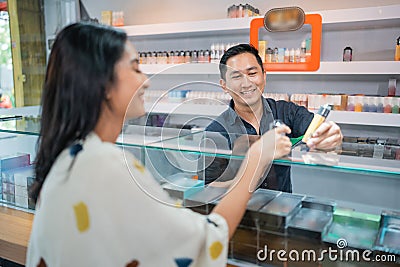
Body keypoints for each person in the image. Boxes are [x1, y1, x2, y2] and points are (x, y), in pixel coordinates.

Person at [26, 23, 292, 266]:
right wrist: (256, 158)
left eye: (253, 73)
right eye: (134, 67)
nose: (146, 81)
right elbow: (202, 242)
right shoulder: (104, 163)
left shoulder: (72, 156)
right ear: (103, 84)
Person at [206, 44, 343, 193]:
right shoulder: (215, 132)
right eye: (236, 76)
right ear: (224, 85)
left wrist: (330, 137)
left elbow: (317, 131)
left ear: (264, 75)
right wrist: (251, 171)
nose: (246, 83)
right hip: (238, 213)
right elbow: (209, 187)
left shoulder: (287, 111)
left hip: (283, 208)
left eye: (252, 73)